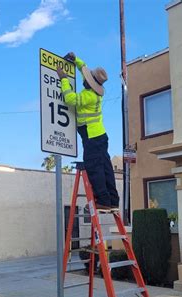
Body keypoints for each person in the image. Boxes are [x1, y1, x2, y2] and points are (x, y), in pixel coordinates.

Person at [56, 52, 119, 212]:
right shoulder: (95, 94)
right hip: (100, 135)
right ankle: (112, 200)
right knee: (105, 167)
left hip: (92, 137)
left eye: (87, 79)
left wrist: (63, 79)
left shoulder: (88, 96)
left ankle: (103, 201)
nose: (84, 78)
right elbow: (83, 67)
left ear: (90, 83)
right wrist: (75, 59)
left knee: (94, 167)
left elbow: (70, 99)